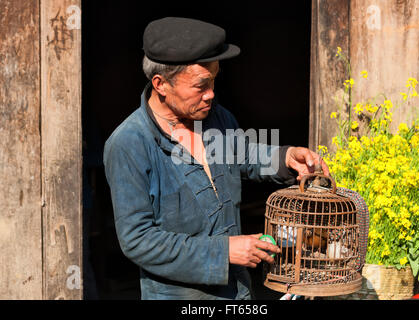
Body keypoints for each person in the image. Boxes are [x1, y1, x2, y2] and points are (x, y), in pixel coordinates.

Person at [103, 17, 329, 300]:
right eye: (201, 85)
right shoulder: (128, 144)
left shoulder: (216, 118)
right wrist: (224, 253)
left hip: (238, 292)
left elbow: (245, 155)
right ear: (161, 84)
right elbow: (138, 241)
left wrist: (286, 157)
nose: (211, 94)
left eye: (214, 81)